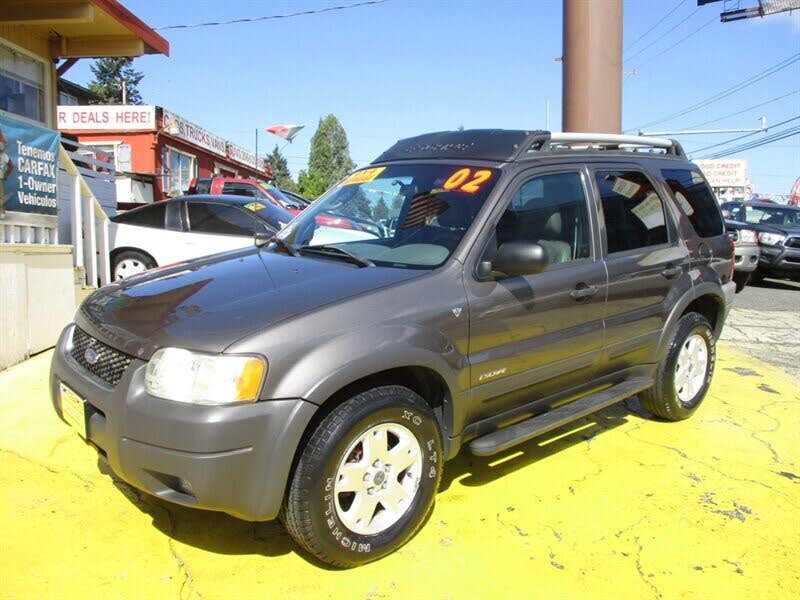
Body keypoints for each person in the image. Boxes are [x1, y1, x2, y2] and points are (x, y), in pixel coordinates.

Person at [0, 128, 14, 217]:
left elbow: (11, 166)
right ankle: (1, 212)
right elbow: (11, 166)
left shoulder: (4, 156)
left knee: (0, 196)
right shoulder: (4, 156)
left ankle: (1, 211)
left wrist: (6, 175)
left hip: (0, 177)